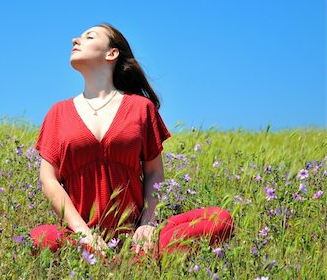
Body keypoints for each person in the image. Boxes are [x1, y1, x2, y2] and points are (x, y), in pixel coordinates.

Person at [31, 23, 234, 257]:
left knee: (220, 219)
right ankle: (116, 262)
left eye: (89, 36)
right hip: (79, 239)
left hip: (136, 239)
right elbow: (48, 179)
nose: (75, 40)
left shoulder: (141, 108)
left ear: (111, 53)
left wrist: (147, 223)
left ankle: (128, 260)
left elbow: (155, 172)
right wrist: (84, 235)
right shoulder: (58, 112)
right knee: (41, 238)